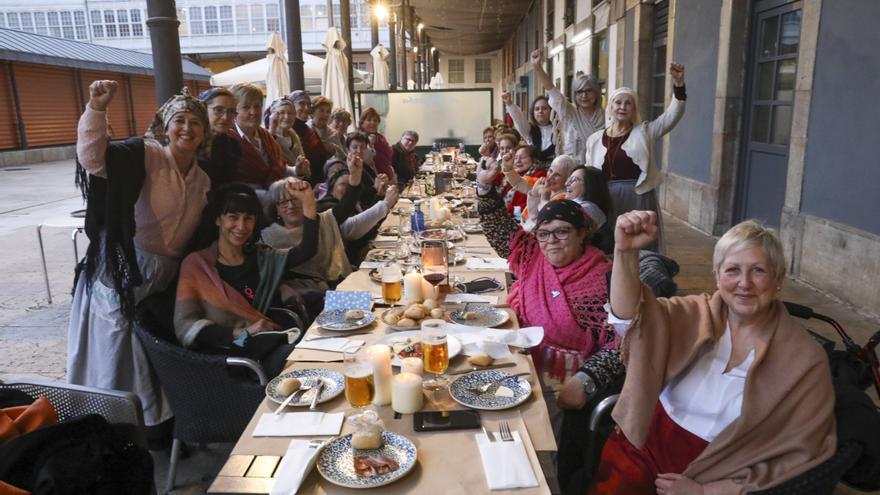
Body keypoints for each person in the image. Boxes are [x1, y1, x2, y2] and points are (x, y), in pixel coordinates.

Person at [587, 210, 835, 494]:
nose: (744, 283)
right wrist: (625, 252)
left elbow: (802, 452)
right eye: (732, 270)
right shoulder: (693, 314)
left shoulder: (805, 359)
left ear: (778, 280)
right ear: (717, 277)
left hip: (721, 469)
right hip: (644, 447)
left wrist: (707, 492)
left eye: (759, 270)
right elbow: (629, 317)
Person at [69, 80, 212, 430]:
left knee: (146, 345)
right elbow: (93, 159)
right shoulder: (146, 155)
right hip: (123, 266)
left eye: (195, 123)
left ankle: (149, 420)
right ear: (166, 126)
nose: (187, 128)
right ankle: (104, 420)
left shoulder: (203, 180)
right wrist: (97, 110)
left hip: (164, 273)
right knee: (113, 344)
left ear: (205, 133)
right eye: (179, 120)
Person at [475, 157, 622, 436]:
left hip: (565, 379)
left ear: (582, 234)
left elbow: (623, 342)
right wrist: (484, 187)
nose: (550, 242)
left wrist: (586, 380)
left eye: (562, 232)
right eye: (543, 234)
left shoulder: (605, 277)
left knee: (527, 438)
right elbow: (501, 231)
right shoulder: (532, 257)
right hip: (521, 357)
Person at [174, 181, 319, 376]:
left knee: (340, 303)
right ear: (218, 220)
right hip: (235, 351)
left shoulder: (261, 257)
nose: (241, 226)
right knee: (305, 360)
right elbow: (186, 324)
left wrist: (308, 203)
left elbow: (307, 250)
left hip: (272, 339)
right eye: (233, 217)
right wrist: (244, 333)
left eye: (248, 218)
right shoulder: (197, 265)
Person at [584, 63, 687, 252]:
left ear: (634, 108)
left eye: (628, 103)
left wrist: (678, 84)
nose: (622, 107)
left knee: (639, 244)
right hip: (606, 197)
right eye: (618, 102)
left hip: (637, 197)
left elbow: (672, 116)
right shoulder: (594, 139)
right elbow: (589, 172)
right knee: (609, 243)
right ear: (611, 106)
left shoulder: (645, 131)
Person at [531, 49, 604, 165]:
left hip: (598, 171)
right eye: (579, 92)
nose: (584, 96)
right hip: (573, 170)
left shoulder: (607, 117)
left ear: (596, 93)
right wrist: (537, 67)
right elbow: (552, 91)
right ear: (575, 95)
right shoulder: (569, 112)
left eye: (589, 91)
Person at [227, 83, 286, 190]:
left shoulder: (265, 135)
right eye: (246, 107)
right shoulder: (228, 140)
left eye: (257, 106)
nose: (253, 112)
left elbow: (278, 167)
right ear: (234, 111)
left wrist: (296, 170)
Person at [197, 87, 240, 188]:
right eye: (218, 110)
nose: (225, 117)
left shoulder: (232, 145)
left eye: (231, 111)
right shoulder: (190, 142)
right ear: (203, 110)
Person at [290, 90, 332, 183]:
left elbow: (321, 158)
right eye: (301, 103)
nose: (306, 108)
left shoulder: (309, 131)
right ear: (292, 106)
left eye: (308, 105)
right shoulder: (287, 132)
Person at [264, 97, 310, 181]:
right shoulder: (266, 136)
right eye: (282, 112)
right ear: (273, 114)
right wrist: (272, 129)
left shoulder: (294, 136)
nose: (287, 117)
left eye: (290, 113)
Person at [503, 91, 556, 163]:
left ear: (551, 111)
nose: (540, 111)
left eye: (544, 108)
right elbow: (519, 119)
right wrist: (509, 104)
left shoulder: (557, 129)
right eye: (537, 109)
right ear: (533, 113)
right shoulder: (529, 130)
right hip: (534, 171)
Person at [499, 144, 547, 215]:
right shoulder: (512, 173)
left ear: (533, 159)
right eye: (515, 158)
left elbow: (535, 202)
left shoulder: (540, 175)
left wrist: (510, 210)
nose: (518, 161)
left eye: (522, 158)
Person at [358, 107, 396, 184]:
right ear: (362, 123)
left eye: (375, 120)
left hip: (389, 179)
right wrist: (370, 144)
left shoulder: (381, 138)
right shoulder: (359, 139)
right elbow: (366, 161)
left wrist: (392, 175)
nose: (373, 123)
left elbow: (389, 157)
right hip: (374, 182)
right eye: (369, 120)